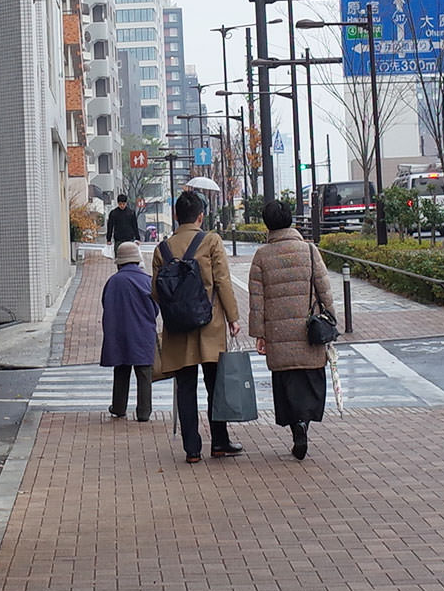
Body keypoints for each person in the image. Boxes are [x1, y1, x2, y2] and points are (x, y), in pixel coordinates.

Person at [151, 189, 241, 463]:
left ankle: (192, 449)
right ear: (200, 216)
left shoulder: (162, 249)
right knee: (215, 385)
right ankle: (219, 442)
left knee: (185, 386)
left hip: (177, 328)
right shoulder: (211, 241)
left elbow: (156, 291)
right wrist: (232, 317)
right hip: (209, 325)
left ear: (177, 216)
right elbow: (223, 281)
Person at [247, 199, 334, 460]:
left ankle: (296, 425)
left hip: (278, 335)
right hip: (310, 333)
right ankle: (304, 423)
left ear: (267, 225)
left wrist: (259, 334)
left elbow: (256, 300)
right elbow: (324, 289)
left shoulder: (262, 256)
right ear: (291, 221)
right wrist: (331, 319)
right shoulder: (309, 250)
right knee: (311, 380)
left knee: (287, 382)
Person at [100, 241, 156, 421]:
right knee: (144, 373)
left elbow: (106, 304)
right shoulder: (147, 280)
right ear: (137, 260)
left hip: (119, 332)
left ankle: (118, 406)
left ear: (120, 262)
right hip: (143, 332)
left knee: (121, 370)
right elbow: (155, 308)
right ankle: (144, 412)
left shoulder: (113, 281)